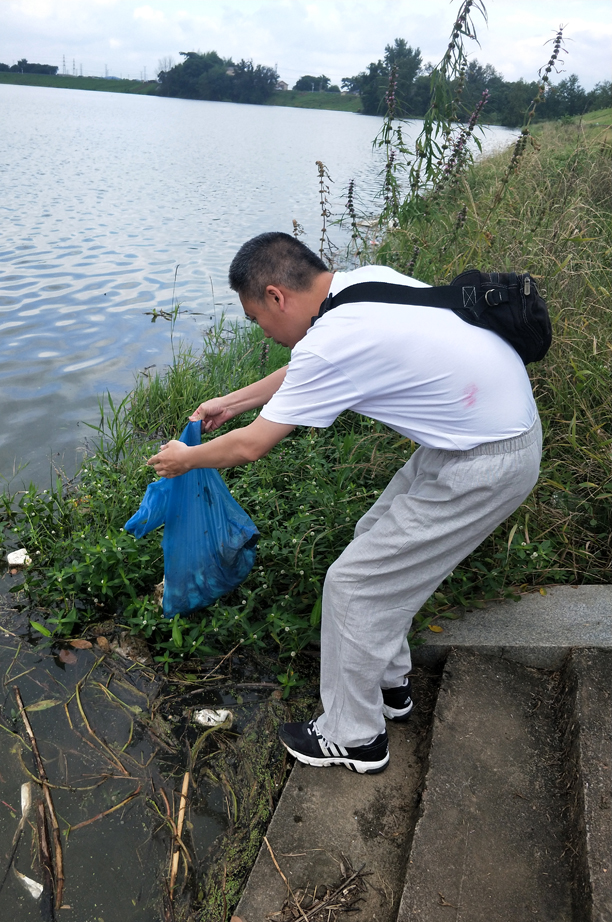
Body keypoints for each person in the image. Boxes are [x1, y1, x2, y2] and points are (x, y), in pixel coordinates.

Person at [148, 232, 542, 775]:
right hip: (479, 437)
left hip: (485, 461)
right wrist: (232, 401)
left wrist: (184, 460)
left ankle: (354, 738)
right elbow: (307, 368)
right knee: (373, 540)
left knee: (353, 583)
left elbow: (252, 446)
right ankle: (390, 684)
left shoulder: (331, 340)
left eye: (257, 318)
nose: (263, 330)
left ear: (275, 296)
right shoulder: (359, 286)